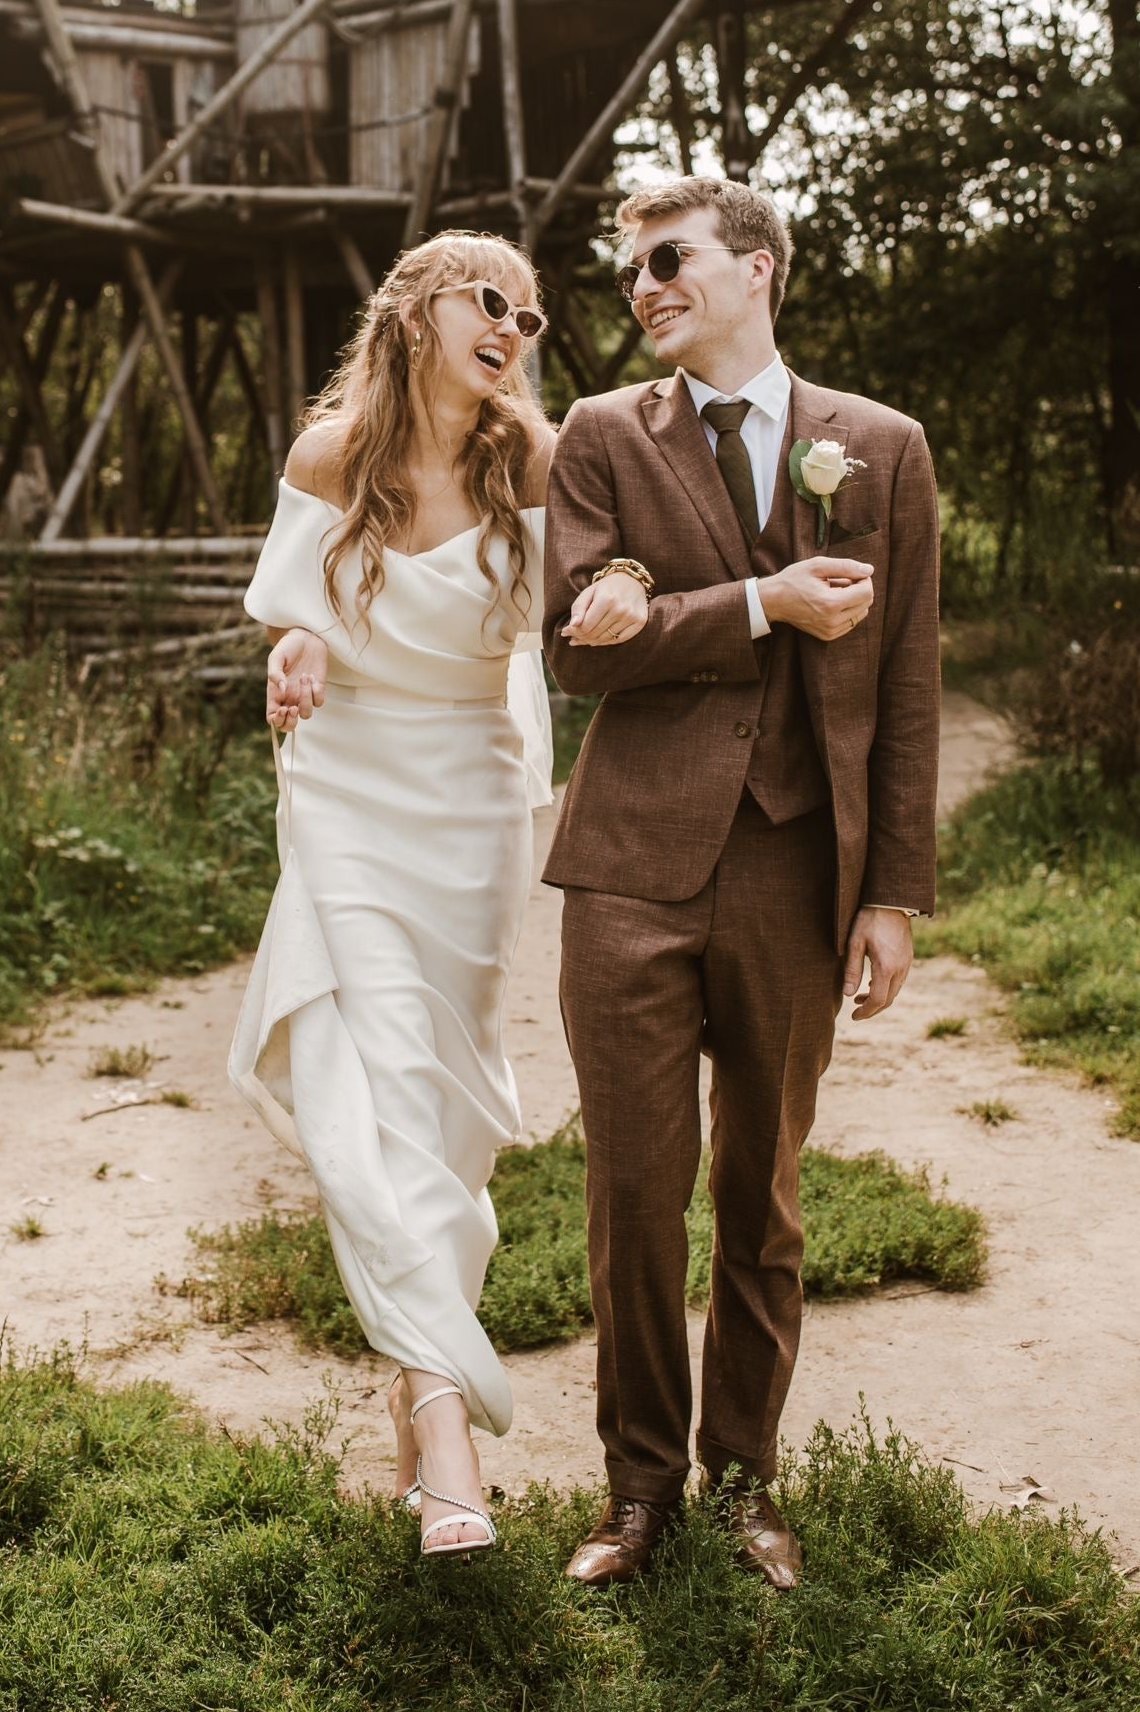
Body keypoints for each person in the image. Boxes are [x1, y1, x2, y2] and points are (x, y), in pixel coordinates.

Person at [543, 177, 940, 1590]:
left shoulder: (881, 448)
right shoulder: (597, 437)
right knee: (634, 1195)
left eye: (669, 260)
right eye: (629, 272)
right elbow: (575, 653)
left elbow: (904, 683)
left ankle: (747, 1484)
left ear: (758, 267)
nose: (642, 287)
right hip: (630, 869)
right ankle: (638, 1490)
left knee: (762, 1195)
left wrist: (890, 889)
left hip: (794, 870)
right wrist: (756, 606)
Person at [228, 229, 651, 1558]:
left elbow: (607, 571)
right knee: (372, 1076)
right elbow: (301, 619)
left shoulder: (534, 455)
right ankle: (443, 1416)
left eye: (529, 318)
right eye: (492, 302)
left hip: (471, 802)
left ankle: (426, 1412)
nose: (516, 331)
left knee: (446, 1116)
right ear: (416, 311)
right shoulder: (325, 457)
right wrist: (297, 649)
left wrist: (627, 596)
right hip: (346, 789)